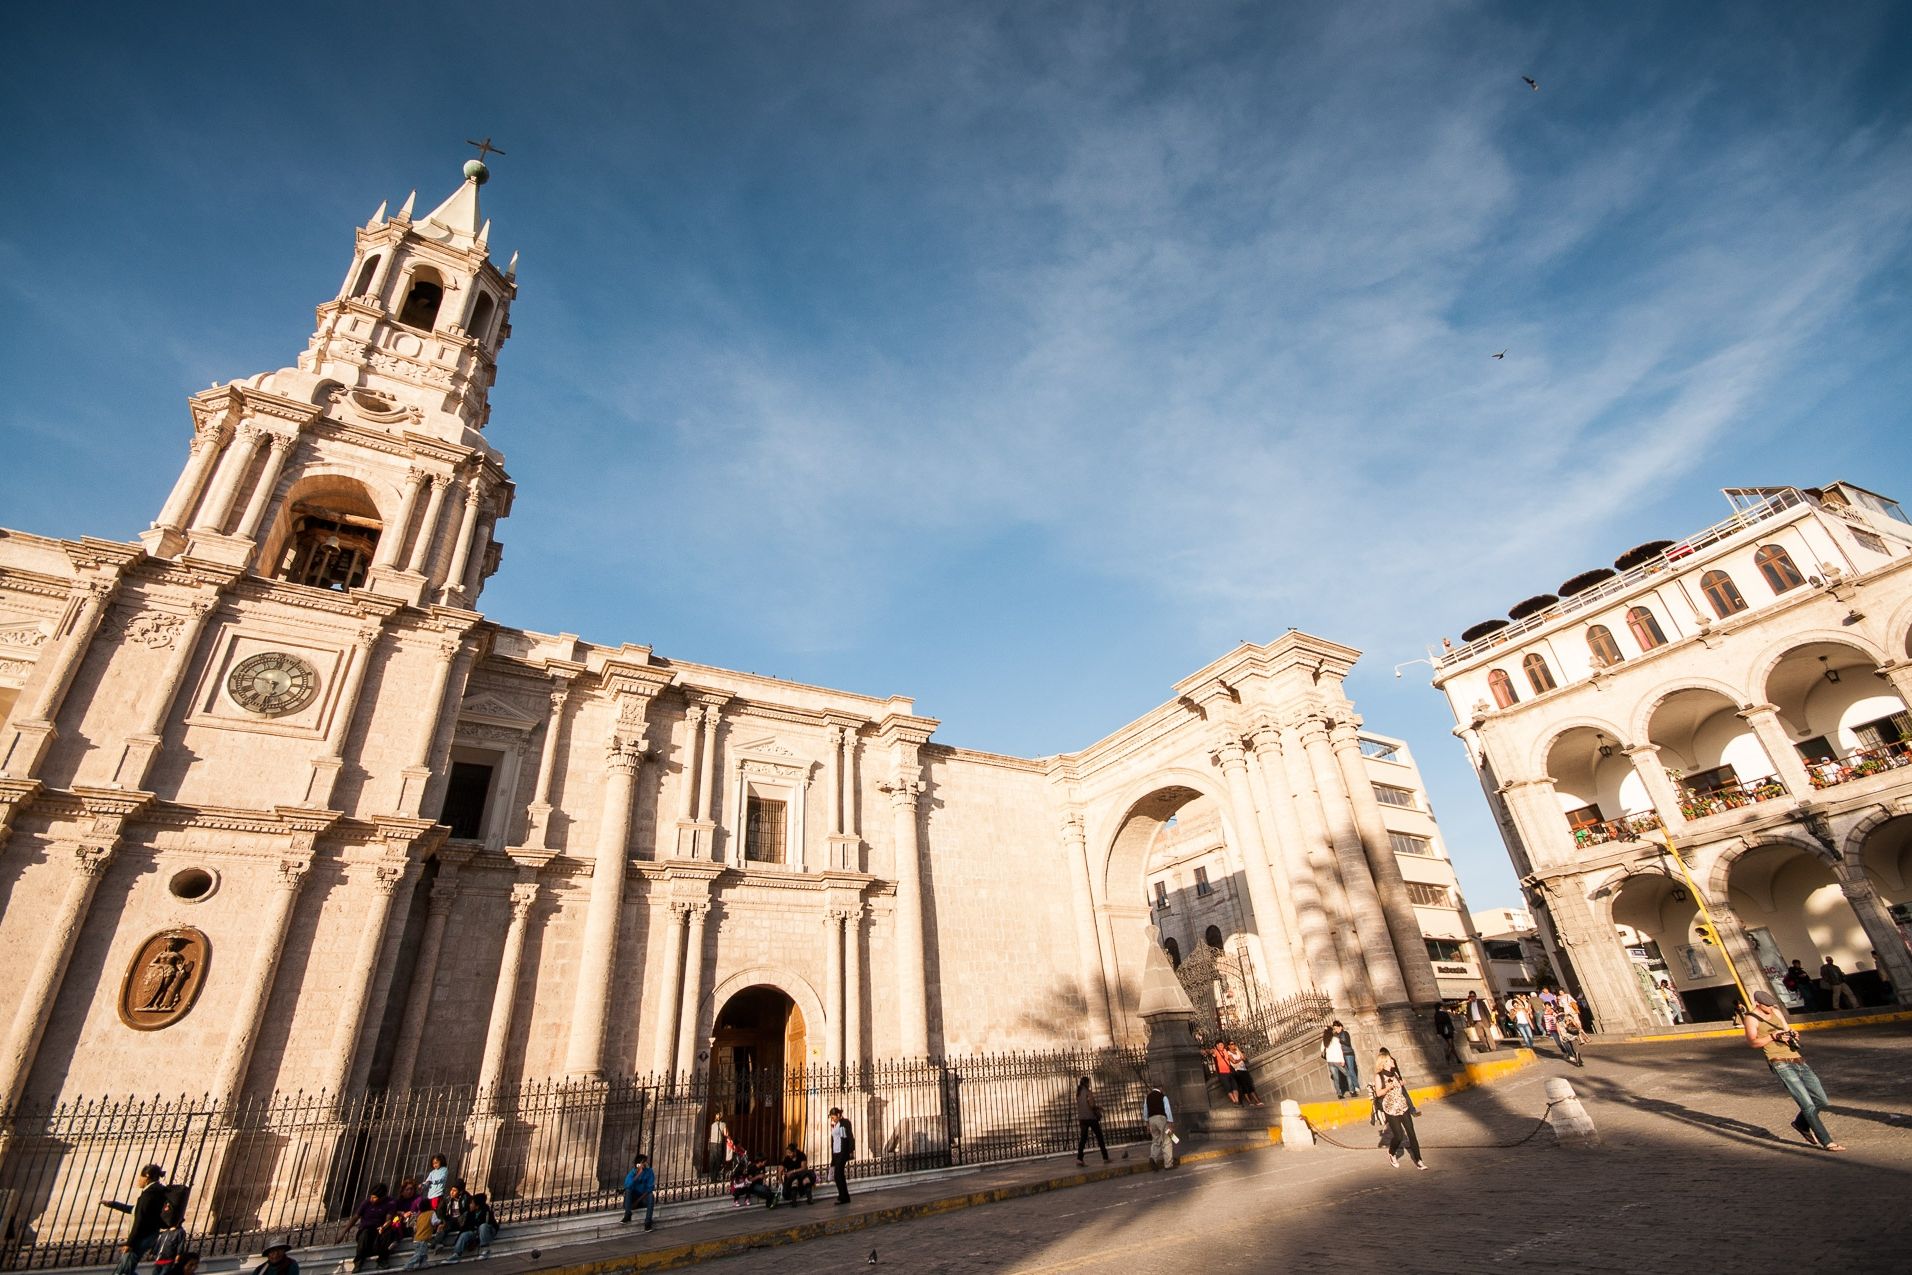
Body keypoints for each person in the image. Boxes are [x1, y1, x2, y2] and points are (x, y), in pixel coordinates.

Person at [1743, 990, 1844, 1151]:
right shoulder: (1751, 1018)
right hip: (1779, 1062)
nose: (1770, 1008)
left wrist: (1792, 1035)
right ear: (1758, 1004)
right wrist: (1773, 1037)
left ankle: (1800, 1124)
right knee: (1807, 1104)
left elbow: (1787, 1029)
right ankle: (1827, 1141)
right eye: (1767, 1006)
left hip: (1797, 1058)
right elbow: (1753, 1043)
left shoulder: (1776, 1012)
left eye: (1771, 1005)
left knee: (1821, 1100)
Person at [100, 1165, 170, 1275]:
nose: (138, 1180)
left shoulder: (149, 1194)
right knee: (125, 1269)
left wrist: (130, 1243)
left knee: (124, 1270)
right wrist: (114, 1204)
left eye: (140, 1177)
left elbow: (140, 1220)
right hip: (149, 1235)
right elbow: (137, 1210)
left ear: (147, 1177)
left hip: (142, 1237)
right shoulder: (156, 1192)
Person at [1372, 1049, 1425, 1170]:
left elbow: (1399, 1088)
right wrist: (1387, 1088)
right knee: (1399, 1136)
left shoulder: (1394, 1073)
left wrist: (1400, 1083)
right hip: (1391, 1109)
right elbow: (1378, 1093)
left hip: (1402, 1106)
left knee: (1411, 1133)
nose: (1393, 1060)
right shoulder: (1379, 1076)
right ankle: (1392, 1152)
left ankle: (1419, 1160)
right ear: (1385, 1062)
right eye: (1390, 1059)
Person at [342, 1184, 393, 1273]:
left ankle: (382, 1260)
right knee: (365, 1234)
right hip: (366, 1230)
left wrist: (383, 1227)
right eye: (371, 1197)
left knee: (388, 1233)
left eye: (374, 1198)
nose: (371, 1199)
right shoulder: (366, 1203)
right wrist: (343, 1233)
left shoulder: (390, 1203)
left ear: (382, 1198)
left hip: (379, 1230)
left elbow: (388, 1220)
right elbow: (355, 1218)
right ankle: (358, 1262)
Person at [446, 1194, 495, 1262]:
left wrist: (476, 1242)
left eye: (472, 1203)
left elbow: (485, 1228)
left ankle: (485, 1250)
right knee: (464, 1234)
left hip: (488, 1231)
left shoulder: (486, 1212)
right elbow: (465, 1228)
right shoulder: (470, 1213)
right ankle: (456, 1254)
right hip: (475, 1232)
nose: (470, 1205)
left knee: (483, 1226)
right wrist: (458, 1241)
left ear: (477, 1206)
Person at [1074, 1075, 1110, 1165]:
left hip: (1082, 1119)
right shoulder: (1088, 1092)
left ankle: (1079, 1158)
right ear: (1086, 1083)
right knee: (1099, 1137)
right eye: (1088, 1083)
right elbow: (1091, 1105)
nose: (1089, 1084)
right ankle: (1105, 1157)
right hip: (1090, 1118)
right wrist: (1099, 1108)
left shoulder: (1078, 1093)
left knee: (1083, 1139)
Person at [1321, 1021, 1358, 1098]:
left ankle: (1339, 1094)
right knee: (1348, 1075)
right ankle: (1352, 1091)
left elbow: (1321, 1050)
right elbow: (1339, 1050)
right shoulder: (1335, 1039)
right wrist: (1342, 1060)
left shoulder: (1324, 1041)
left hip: (1330, 1061)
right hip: (1337, 1060)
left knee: (1336, 1078)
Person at [1144, 1084, 1176, 1170]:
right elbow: (1167, 1110)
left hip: (1151, 1120)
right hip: (1161, 1119)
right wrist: (1170, 1123)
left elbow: (1145, 1111)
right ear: (1161, 1088)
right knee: (1167, 1140)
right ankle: (1168, 1164)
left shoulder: (1147, 1097)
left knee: (1156, 1140)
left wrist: (1147, 1123)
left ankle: (1153, 1157)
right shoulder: (1163, 1097)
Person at [828, 1107, 856, 1205]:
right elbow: (834, 1139)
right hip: (836, 1152)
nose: (832, 1119)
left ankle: (843, 1196)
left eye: (833, 1117)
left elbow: (849, 1137)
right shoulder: (835, 1125)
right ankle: (844, 1196)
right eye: (831, 1117)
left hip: (842, 1152)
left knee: (838, 1174)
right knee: (839, 1175)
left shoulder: (845, 1123)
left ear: (838, 1115)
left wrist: (850, 1150)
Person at [620, 1154, 655, 1229]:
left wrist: (637, 1202)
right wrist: (638, 1174)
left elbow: (650, 1188)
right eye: (643, 1162)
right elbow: (627, 1186)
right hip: (631, 1201)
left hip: (642, 1200)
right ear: (638, 1164)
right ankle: (628, 1215)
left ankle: (648, 1222)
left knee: (651, 1195)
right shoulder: (633, 1172)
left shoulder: (649, 1171)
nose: (645, 1164)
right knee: (628, 1190)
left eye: (645, 1162)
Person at [1224, 1042, 1263, 1106]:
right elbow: (1234, 1061)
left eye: (1234, 1043)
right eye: (1232, 1044)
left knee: (1250, 1085)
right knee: (1244, 1087)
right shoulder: (1229, 1053)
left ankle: (1257, 1101)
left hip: (1244, 1069)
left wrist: (1238, 1050)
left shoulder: (1237, 1051)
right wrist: (1240, 1059)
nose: (1234, 1045)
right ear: (1229, 1046)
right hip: (1238, 1071)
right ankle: (1250, 1102)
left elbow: (1244, 1058)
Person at [401, 1202, 437, 1269]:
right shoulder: (431, 1213)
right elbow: (435, 1222)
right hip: (423, 1239)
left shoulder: (420, 1215)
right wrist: (440, 1221)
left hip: (417, 1239)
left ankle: (423, 1264)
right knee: (420, 1254)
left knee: (423, 1253)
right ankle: (408, 1265)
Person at [708, 1113, 730, 1182]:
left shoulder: (712, 1125)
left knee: (712, 1161)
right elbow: (726, 1134)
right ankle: (715, 1178)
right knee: (718, 1160)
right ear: (721, 1118)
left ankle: (712, 1177)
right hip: (718, 1144)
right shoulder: (723, 1124)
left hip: (712, 1143)